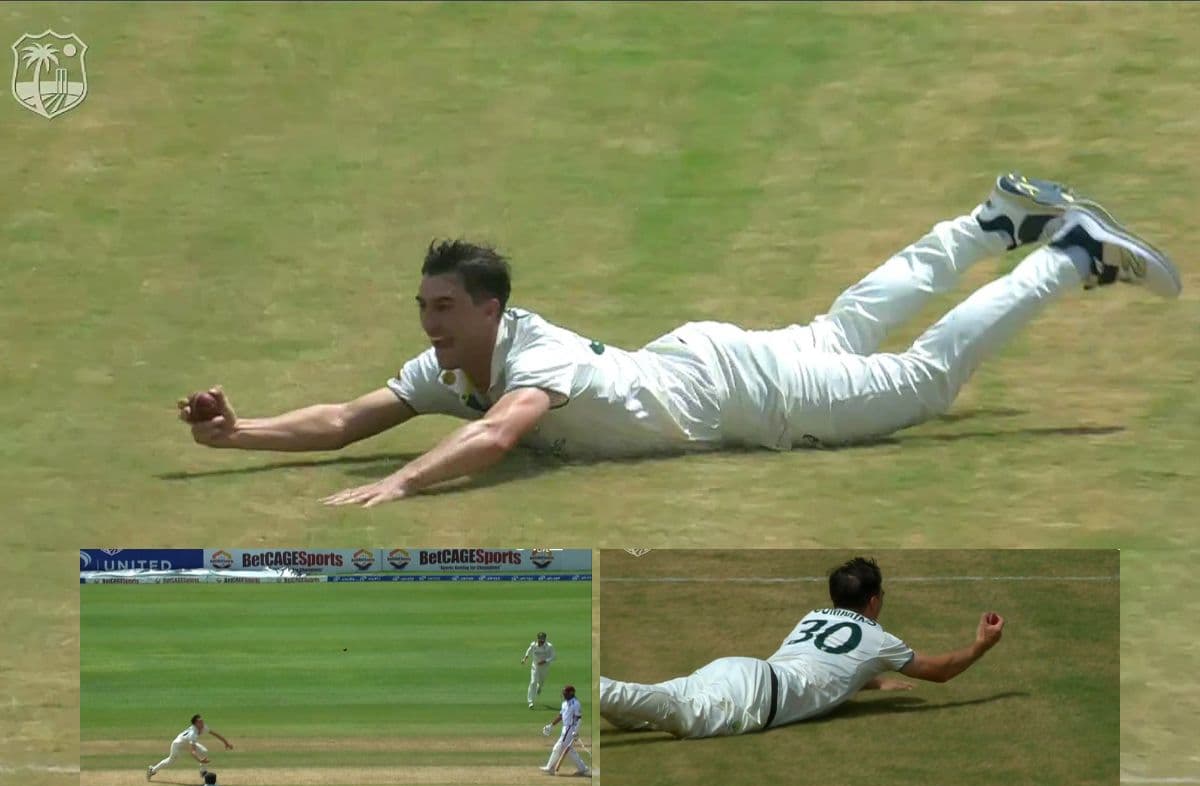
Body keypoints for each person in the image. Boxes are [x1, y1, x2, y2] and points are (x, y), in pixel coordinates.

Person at [177, 174, 1182, 506]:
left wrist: (400, 485)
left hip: (749, 396)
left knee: (918, 381)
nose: (428, 320)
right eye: (424, 305)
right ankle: (991, 221)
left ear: (489, 307)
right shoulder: (450, 366)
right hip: (709, 361)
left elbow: (500, 435)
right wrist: (242, 433)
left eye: (442, 306)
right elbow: (350, 416)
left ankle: (1066, 253)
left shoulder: (532, 358)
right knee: (846, 326)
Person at [600, 556, 1004, 738]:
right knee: (679, 717)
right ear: (875, 600)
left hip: (737, 670)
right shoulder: (879, 639)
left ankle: (593, 690)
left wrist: (874, 683)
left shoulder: (813, 616)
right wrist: (981, 645)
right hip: (757, 698)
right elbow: (940, 671)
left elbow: (827, 663)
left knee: (645, 711)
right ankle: (586, 684)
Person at [147, 714, 234, 780]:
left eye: (202, 721)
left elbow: (215, 734)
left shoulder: (203, 727)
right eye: (200, 722)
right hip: (178, 745)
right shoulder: (193, 733)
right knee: (171, 761)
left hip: (187, 743)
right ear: (196, 724)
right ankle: (152, 770)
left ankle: (203, 772)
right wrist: (200, 760)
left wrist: (226, 743)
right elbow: (193, 751)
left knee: (204, 751)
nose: (202, 723)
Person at [540, 685, 590, 777]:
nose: (563, 695)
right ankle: (583, 768)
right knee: (565, 749)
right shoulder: (564, 703)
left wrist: (576, 731)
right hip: (565, 729)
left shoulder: (576, 703)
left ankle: (550, 767)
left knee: (561, 748)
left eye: (565, 693)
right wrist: (551, 725)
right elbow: (560, 716)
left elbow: (579, 719)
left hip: (570, 729)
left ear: (571, 693)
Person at [522, 632, 556, 709]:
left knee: (541, 681)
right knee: (533, 681)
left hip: (545, 667)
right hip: (535, 666)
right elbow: (529, 650)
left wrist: (545, 661)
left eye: (543, 640)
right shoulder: (533, 645)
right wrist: (525, 658)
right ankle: (530, 701)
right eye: (540, 640)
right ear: (537, 639)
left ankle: (539, 687)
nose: (541, 642)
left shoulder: (549, 646)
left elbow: (554, 656)